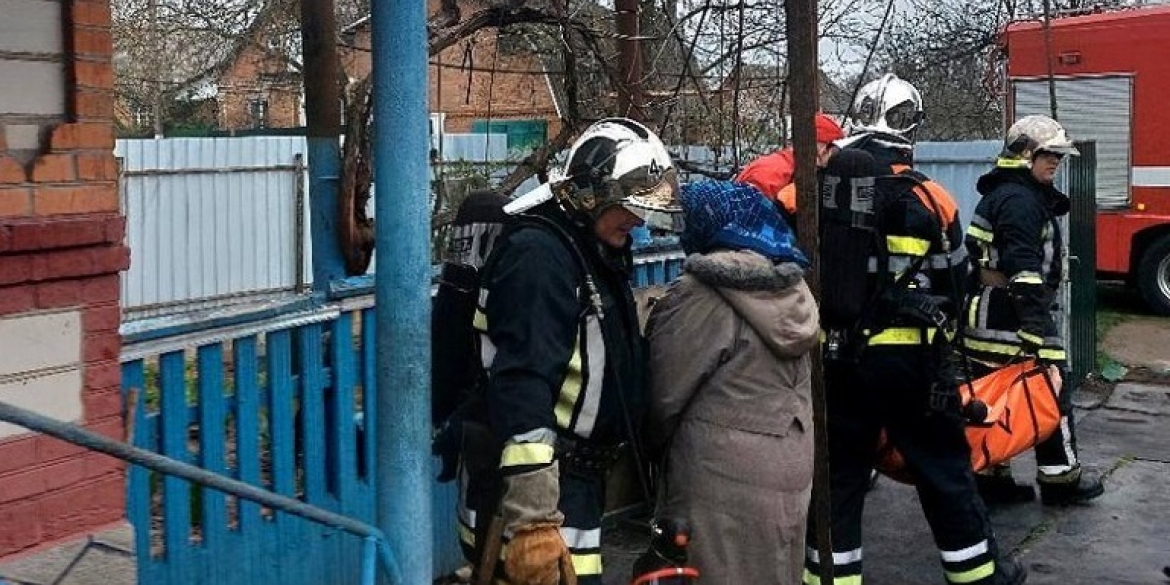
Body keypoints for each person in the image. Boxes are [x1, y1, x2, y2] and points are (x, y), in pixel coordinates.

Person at [802, 73, 1026, 585]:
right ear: (909, 127)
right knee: (943, 467)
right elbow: (957, 281)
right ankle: (979, 576)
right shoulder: (929, 196)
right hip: (911, 365)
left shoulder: (814, 191)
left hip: (833, 360)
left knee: (838, 478)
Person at [454, 117, 682, 585]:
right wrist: (533, 520)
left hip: (572, 486)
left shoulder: (587, 247)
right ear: (591, 194)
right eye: (629, 207)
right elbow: (523, 382)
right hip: (533, 495)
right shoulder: (540, 258)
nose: (638, 222)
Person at [645, 180, 819, 584]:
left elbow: (665, 395)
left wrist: (646, 450)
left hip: (720, 471)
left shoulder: (702, 294)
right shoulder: (792, 288)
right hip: (789, 458)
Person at [958, 114, 1104, 506]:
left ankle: (991, 477)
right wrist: (1036, 331)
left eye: (1059, 155)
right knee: (1051, 391)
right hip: (1015, 315)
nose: (1056, 162)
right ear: (1025, 154)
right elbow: (1023, 268)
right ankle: (1061, 482)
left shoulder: (1003, 194)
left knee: (992, 400)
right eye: (1049, 155)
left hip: (990, 315)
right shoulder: (1020, 201)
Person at [736, 112, 845, 217]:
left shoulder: (786, 165)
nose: (833, 157)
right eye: (832, 150)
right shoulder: (773, 172)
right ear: (821, 149)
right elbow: (747, 216)